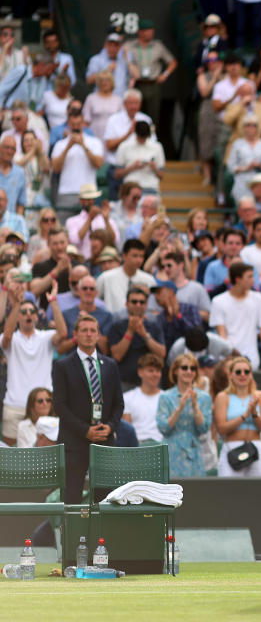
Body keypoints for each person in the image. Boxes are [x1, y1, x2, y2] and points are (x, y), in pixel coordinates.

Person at [54, 314, 124, 503]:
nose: (88, 334)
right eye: (84, 330)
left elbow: (119, 403)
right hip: (74, 442)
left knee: (104, 499)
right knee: (71, 499)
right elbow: (59, 405)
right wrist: (85, 431)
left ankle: (102, 534)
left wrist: (110, 427)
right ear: (75, 334)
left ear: (99, 335)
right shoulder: (62, 366)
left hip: (104, 440)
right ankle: (72, 534)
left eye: (93, 330)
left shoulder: (110, 365)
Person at [2, 285, 67, 446]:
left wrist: (53, 302)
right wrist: (17, 304)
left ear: (37, 317)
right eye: (23, 312)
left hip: (43, 405)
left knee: (47, 455)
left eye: (32, 311)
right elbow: (7, 336)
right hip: (15, 405)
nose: (28, 315)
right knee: (10, 457)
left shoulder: (45, 337)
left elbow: (63, 334)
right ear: (18, 317)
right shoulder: (13, 339)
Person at [210, 262, 261, 371]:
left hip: (253, 360)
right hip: (229, 360)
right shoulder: (218, 301)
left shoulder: (258, 298)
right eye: (250, 276)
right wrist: (230, 357)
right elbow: (222, 334)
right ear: (238, 279)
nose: (253, 280)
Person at [214, 356, 261, 477]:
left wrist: (255, 414)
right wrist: (245, 415)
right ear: (230, 375)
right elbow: (221, 429)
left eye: (246, 371)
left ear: (251, 374)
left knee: (256, 492)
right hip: (231, 449)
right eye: (238, 372)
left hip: (256, 448)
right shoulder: (222, 397)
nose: (242, 375)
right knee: (228, 492)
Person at [158, 353, 212, 477]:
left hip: (194, 451)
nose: (189, 371)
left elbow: (203, 428)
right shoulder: (165, 397)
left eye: (192, 368)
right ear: (176, 371)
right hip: (171, 450)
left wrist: (195, 406)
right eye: (184, 368)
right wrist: (180, 407)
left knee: (195, 493)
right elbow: (164, 428)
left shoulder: (204, 397)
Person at [107, 288, 167, 390]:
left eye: (141, 302)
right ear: (127, 304)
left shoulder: (154, 326)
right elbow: (117, 355)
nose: (138, 305)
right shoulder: (117, 326)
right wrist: (130, 331)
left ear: (146, 305)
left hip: (151, 382)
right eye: (134, 302)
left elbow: (162, 353)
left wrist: (145, 335)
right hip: (124, 382)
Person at [96, 239, 156, 313]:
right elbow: (96, 301)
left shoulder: (149, 280)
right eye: (135, 256)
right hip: (112, 321)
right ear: (124, 256)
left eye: (141, 256)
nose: (139, 260)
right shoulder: (105, 278)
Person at [64, 184, 118, 260]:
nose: (91, 202)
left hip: (103, 260)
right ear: (81, 201)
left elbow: (115, 240)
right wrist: (90, 219)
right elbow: (75, 240)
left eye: (93, 199)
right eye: (88, 199)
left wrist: (106, 219)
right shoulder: (72, 221)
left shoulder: (107, 219)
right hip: (83, 260)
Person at [122, 353, 164, 446]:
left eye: (158, 371)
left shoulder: (166, 397)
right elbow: (126, 428)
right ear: (140, 372)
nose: (155, 374)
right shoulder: (128, 397)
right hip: (137, 447)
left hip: (162, 446)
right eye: (151, 370)